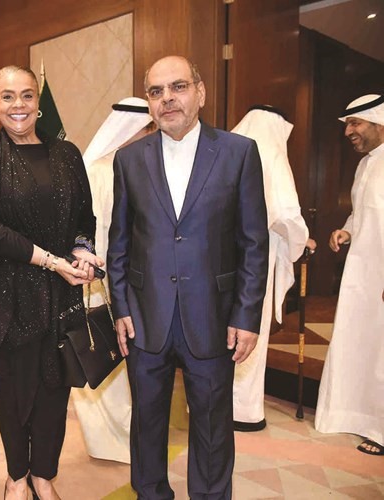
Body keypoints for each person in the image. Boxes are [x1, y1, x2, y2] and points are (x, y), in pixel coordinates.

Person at [107, 56, 269, 499]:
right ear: (149, 102)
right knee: (147, 422)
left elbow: (254, 243)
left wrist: (246, 316)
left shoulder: (239, 153)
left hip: (213, 316)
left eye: (178, 87)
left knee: (213, 425)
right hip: (145, 317)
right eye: (156, 92)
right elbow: (119, 242)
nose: (168, 99)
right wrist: (120, 307)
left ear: (200, 92)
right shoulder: (129, 160)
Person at [0, 65, 101, 500]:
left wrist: (82, 251)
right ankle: (17, 477)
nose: (18, 105)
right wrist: (52, 261)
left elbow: (85, 219)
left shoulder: (67, 154)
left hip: (60, 297)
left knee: (54, 394)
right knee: (13, 394)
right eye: (7, 96)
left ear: (38, 103)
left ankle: (43, 474)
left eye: (26, 95)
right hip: (7, 301)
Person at [72, 97, 155, 463]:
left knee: (117, 367)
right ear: (132, 129)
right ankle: (112, 442)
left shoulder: (131, 167)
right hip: (97, 284)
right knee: (99, 359)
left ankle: (123, 438)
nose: (152, 135)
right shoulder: (98, 171)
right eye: (149, 128)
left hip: (121, 285)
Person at [231, 105, 315, 431]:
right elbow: (285, 214)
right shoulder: (270, 152)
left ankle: (211, 405)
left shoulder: (225, 148)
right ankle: (243, 412)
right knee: (250, 328)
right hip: (254, 259)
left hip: (216, 260)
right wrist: (303, 239)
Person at [316, 94, 384, 456]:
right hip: (363, 273)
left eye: (355, 123)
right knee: (362, 344)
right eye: (347, 125)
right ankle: (358, 416)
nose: (348, 132)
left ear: (378, 121)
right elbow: (364, 213)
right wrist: (347, 230)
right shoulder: (365, 165)